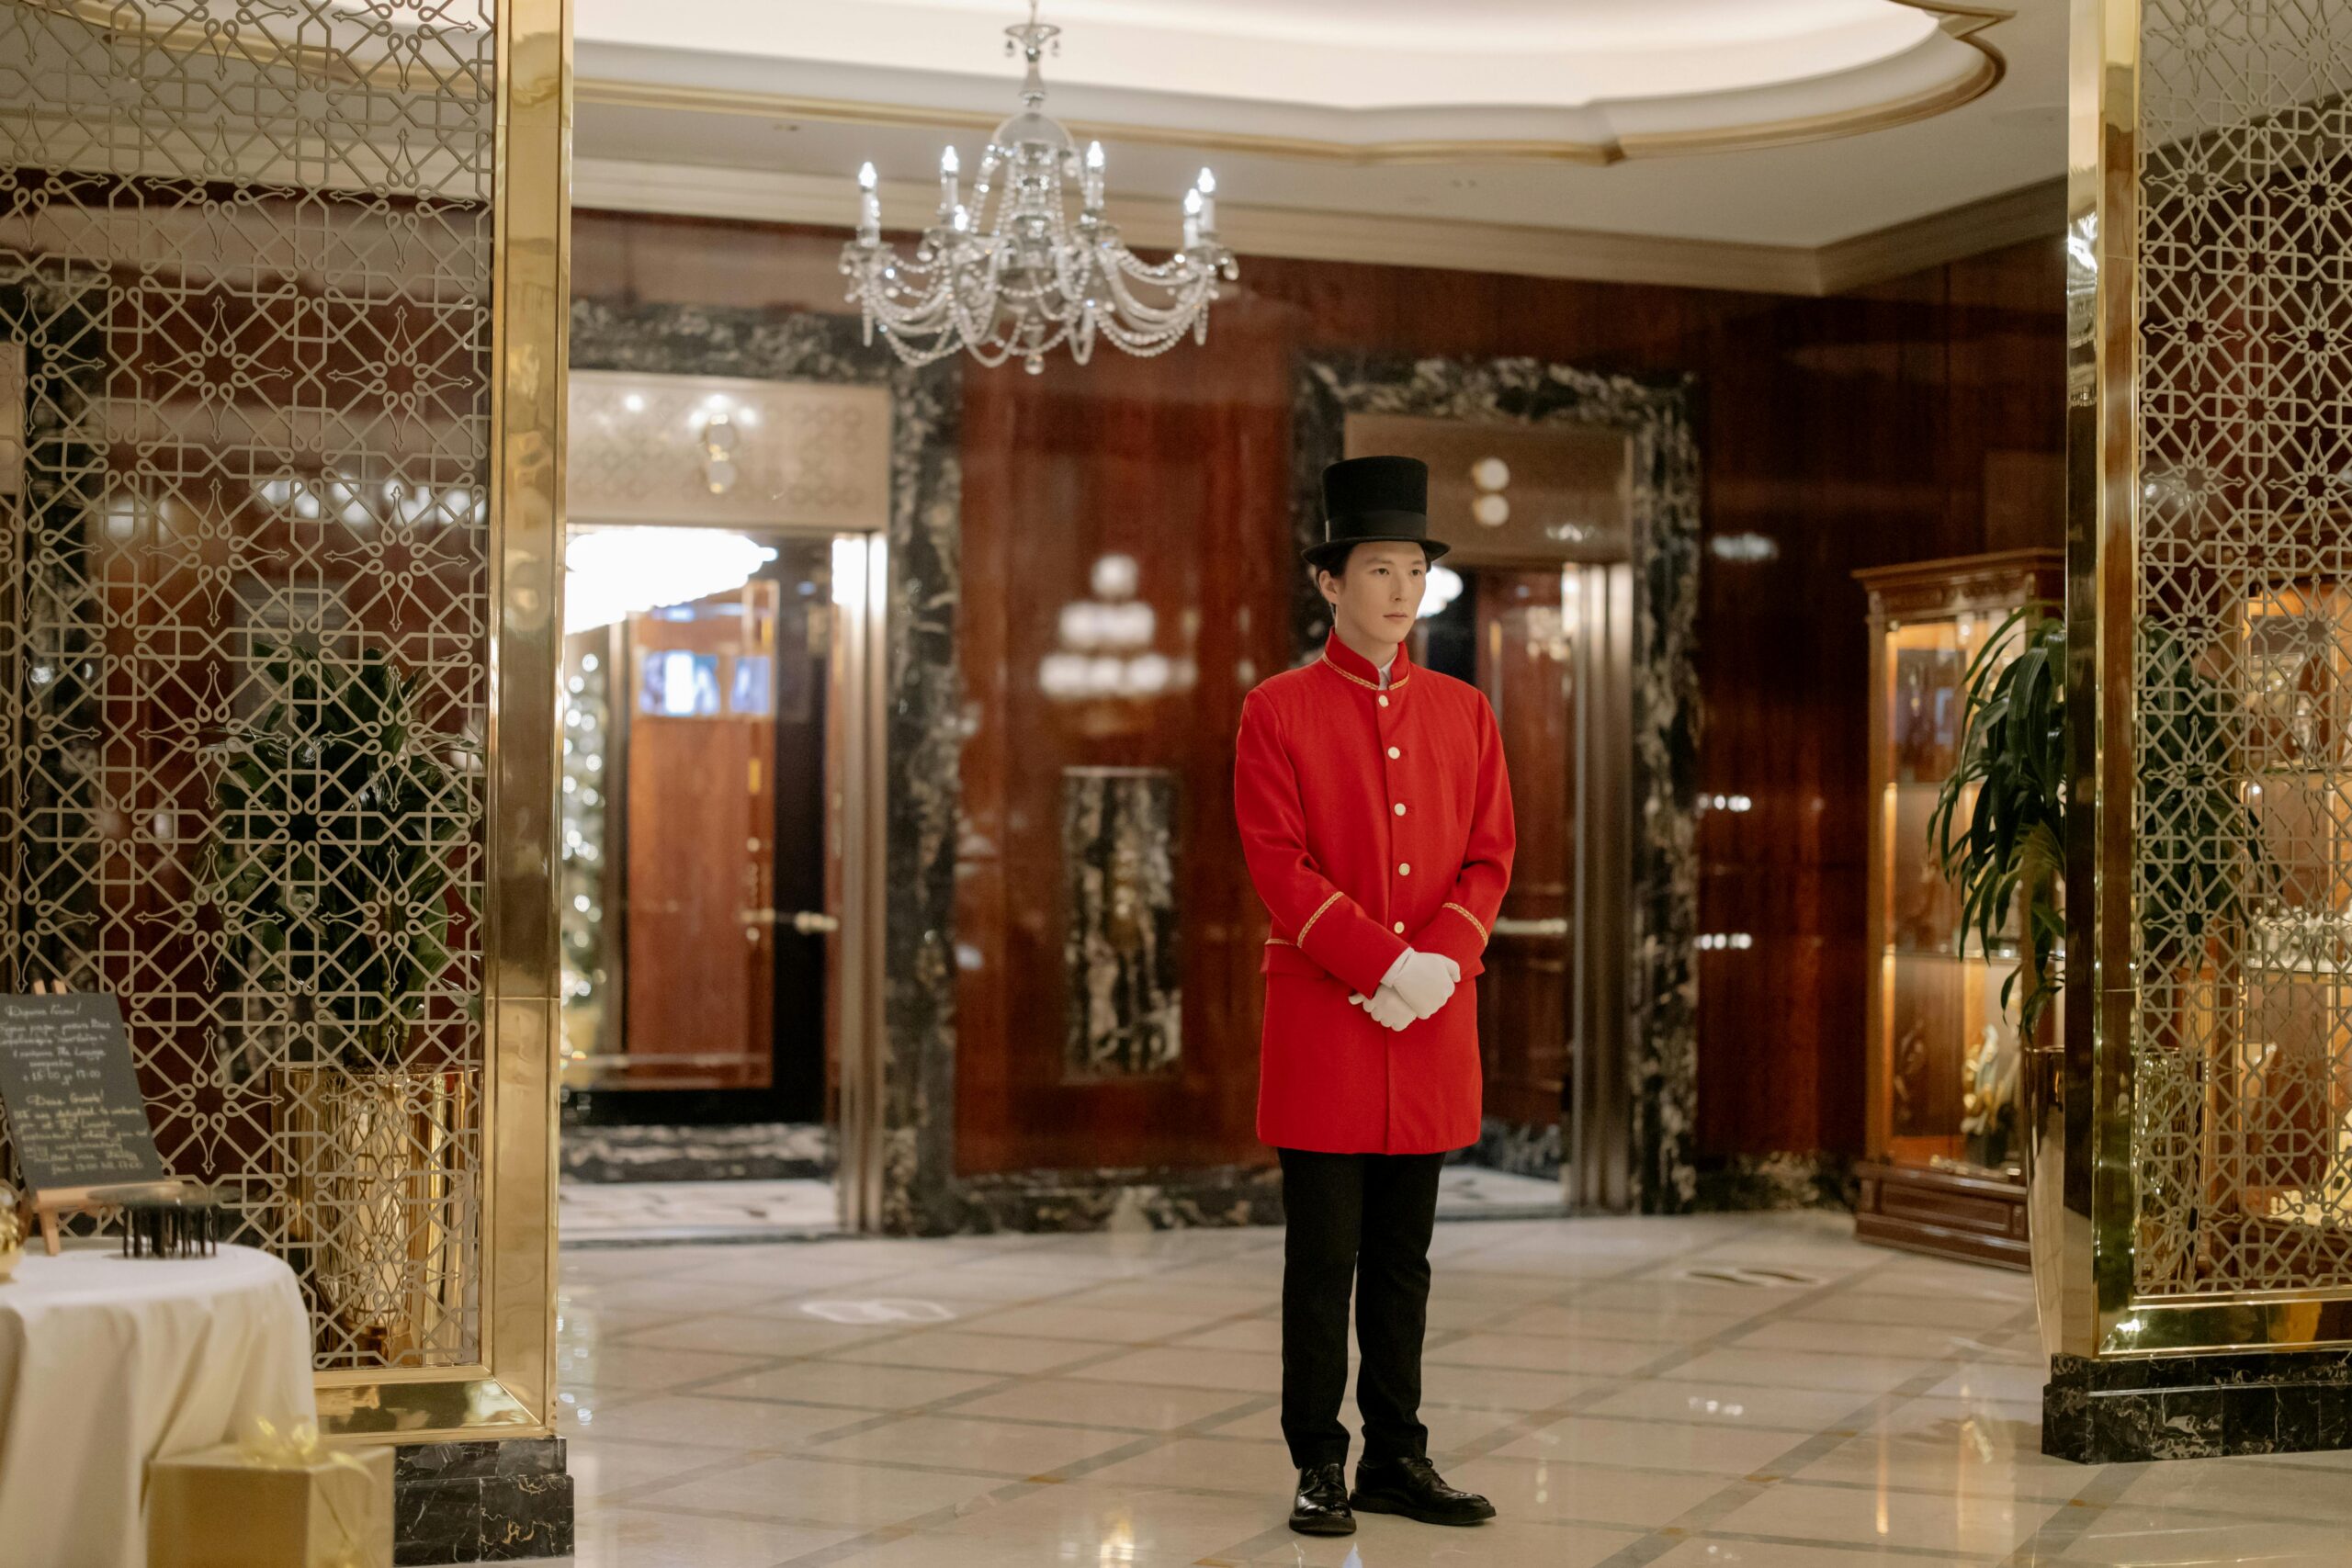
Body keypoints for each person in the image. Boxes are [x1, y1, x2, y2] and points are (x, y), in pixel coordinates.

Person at [1233, 454, 1515, 1537]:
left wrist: (1436, 959)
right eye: (1378, 569)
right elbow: (1277, 861)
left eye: (1413, 571)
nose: (1400, 591)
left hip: (1434, 1020)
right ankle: (1319, 1459)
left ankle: (1399, 1453)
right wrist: (1380, 964)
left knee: (1405, 1261)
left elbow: (1489, 857)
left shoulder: (1465, 712)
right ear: (1329, 582)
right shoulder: (1278, 710)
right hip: (1325, 1025)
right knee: (1324, 1259)